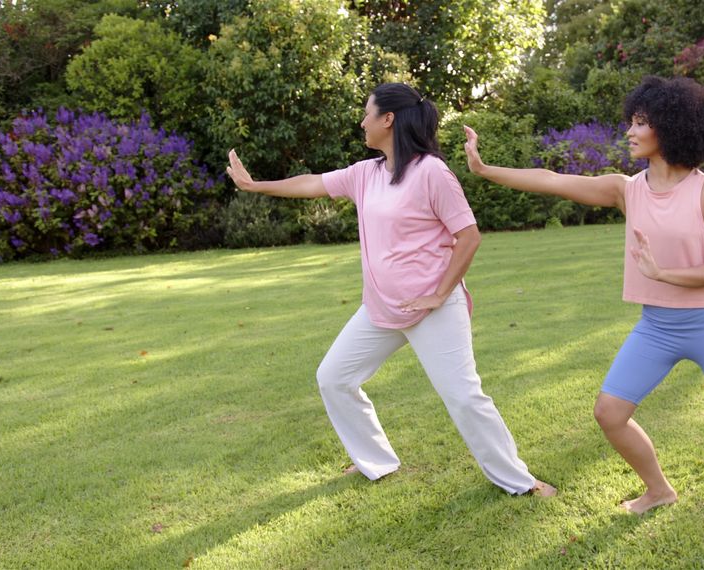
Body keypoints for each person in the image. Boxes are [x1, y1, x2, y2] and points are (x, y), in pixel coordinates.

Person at [462, 76, 704, 517]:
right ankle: (659, 490)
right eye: (632, 122)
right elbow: (553, 179)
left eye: (641, 123)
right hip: (657, 327)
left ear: (672, 127)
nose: (630, 132)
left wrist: (663, 273)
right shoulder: (627, 189)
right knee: (609, 413)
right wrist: (485, 170)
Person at [226, 82, 555, 497]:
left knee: (464, 397)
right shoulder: (366, 174)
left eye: (367, 113)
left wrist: (439, 294)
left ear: (388, 119)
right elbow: (312, 183)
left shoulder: (432, 172)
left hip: (433, 310)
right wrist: (257, 186)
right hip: (382, 308)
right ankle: (377, 463)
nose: (361, 121)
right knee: (334, 377)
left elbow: (468, 236)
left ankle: (520, 483)